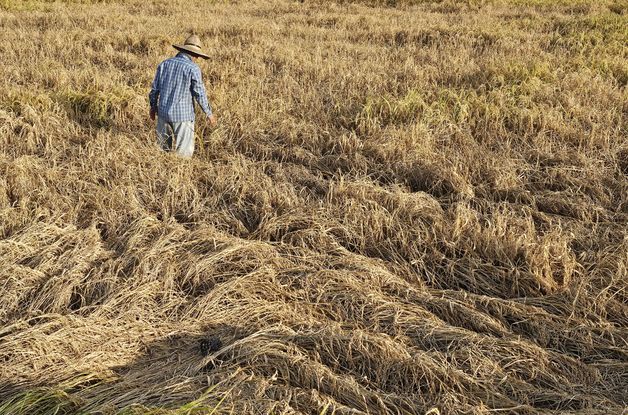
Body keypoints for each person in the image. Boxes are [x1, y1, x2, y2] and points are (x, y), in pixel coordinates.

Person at [149, 35, 217, 157]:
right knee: (183, 155)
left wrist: (153, 107)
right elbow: (199, 93)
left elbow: (154, 90)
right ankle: (179, 174)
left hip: (163, 113)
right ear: (195, 55)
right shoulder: (193, 68)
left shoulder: (164, 64)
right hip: (183, 117)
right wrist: (209, 113)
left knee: (162, 152)